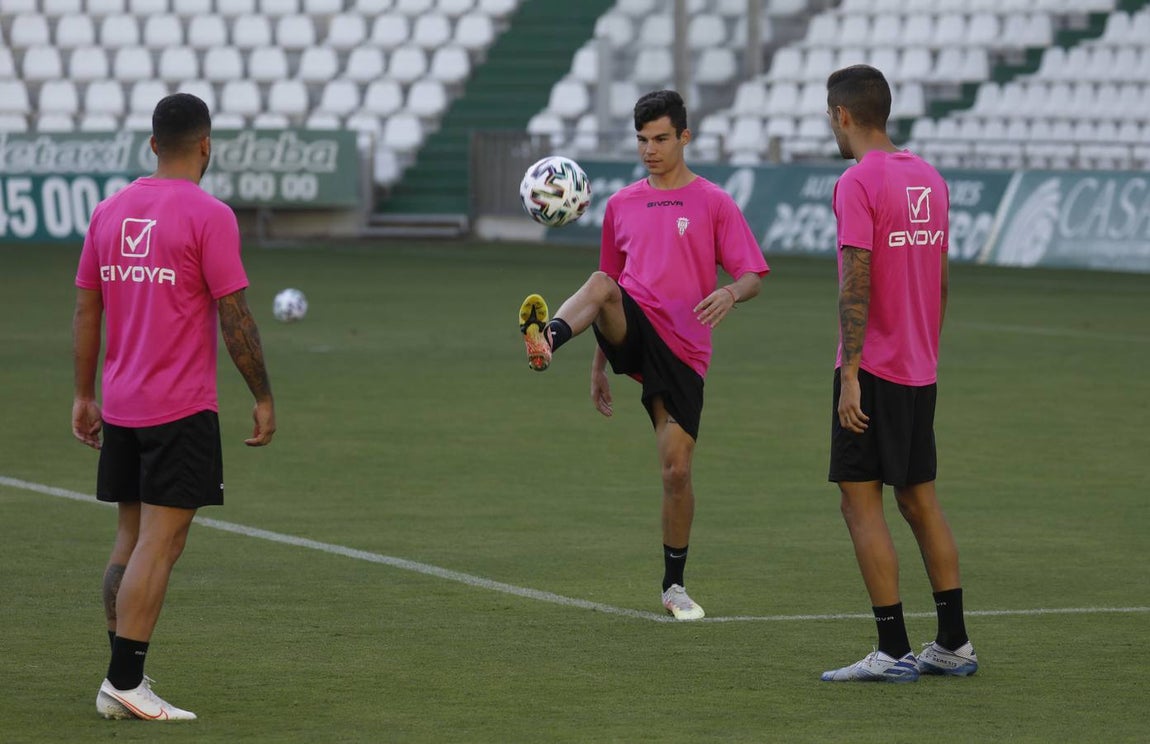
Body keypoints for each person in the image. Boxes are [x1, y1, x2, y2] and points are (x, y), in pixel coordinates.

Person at [517, 90, 769, 620]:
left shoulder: (713, 202)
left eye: (659, 139)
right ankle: (547, 340)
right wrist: (598, 361)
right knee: (601, 281)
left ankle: (673, 586)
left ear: (684, 137)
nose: (649, 149)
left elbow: (752, 275)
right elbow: (607, 286)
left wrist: (729, 292)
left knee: (676, 471)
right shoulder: (623, 204)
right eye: (641, 140)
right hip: (633, 326)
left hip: (684, 351)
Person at [72, 93, 276, 719]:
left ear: (154, 143)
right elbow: (234, 313)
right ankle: (125, 684)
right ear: (206, 144)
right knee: (161, 544)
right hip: (180, 408)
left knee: (130, 539)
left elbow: (88, 309)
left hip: (124, 404)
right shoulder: (209, 214)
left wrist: (83, 395)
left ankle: (120, 677)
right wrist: (263, 395)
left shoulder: (109, 211)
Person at [818, 66, 977, 683]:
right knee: (920, 499)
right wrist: (925, 354)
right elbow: (939, 282)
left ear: (843, 116)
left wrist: (851, 373)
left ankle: (891, 650)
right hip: (918, 367)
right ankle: (954, 644)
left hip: (875, 368)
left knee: (860, 504)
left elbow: (855, 278)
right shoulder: (929, 178)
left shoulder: (858, 181)